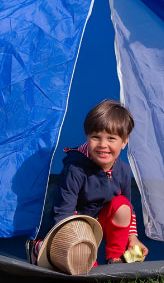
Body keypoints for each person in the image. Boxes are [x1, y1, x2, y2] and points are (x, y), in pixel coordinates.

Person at [28, 100, 149, 266]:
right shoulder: (75, 169)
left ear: (124, 141)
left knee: (123, 206)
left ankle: (115, 259)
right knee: (80, 264)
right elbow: (63, 214)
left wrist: (133, 238)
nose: (103, 145)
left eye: (111, 138)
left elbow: (129, 211)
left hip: (100, 222)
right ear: (87, 137)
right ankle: (40, 248)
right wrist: (80, 251)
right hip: (73, 223)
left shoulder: (123, 170)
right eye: (96, 137)